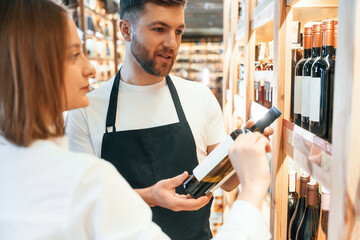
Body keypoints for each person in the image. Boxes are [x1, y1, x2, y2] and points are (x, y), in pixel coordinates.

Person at [0, 0, 272, 239]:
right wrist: (254, 190)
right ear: (125, 30)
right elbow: (89, 200)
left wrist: (236, 155)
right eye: (158, 29)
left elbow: (226, 182)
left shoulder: (200, 97)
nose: (172, 43)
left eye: (179, 31)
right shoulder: (85, 118)